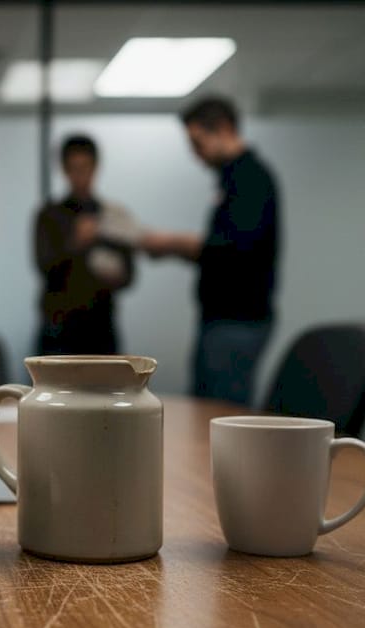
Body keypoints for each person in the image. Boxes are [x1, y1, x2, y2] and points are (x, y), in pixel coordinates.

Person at [139, 95, 281, 406]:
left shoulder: (250, 178)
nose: (195, 154)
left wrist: (174, 243)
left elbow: (234, 249)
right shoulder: (233, 180)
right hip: (224, 320)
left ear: (224, 129)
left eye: (197, 142)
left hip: (238, 321)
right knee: (208, 411)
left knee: (220, 415)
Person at [33, 134, 138, 356]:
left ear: (96, 168)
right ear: (64, 169)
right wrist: (76, 243)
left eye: (85, 168)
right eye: (74, 168)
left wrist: (115, 275)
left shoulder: (112, 216)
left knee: (106, 390)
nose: (80, 176)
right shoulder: (50, 216)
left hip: (100, 325)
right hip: (59, 326)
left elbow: (129, 275)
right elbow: (44, 266)